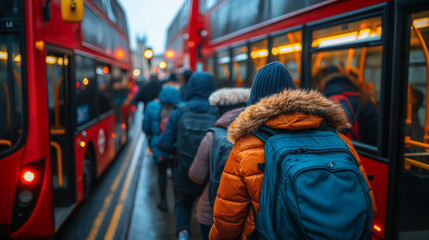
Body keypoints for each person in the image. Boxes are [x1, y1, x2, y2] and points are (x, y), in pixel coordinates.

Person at [209, 62, 376, 239]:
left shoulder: (245, 147)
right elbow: (369, 206)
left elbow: (228, 219)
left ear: (254, 100)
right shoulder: (339, 139)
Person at [159, 72, 217, 240]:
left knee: (183, 205)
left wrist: (180, 154)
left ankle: (183, 233)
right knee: (208, 212)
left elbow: (164, 143)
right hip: (209, 175)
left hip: (183, 172)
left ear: (190, 87)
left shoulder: (179, 111)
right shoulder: (216, 112)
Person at [188, 88, 250, 240]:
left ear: (220, 110)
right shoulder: (257, 133)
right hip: (248, 213)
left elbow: (196, 175)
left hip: (212, 212)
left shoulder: (212, 136)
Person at [143, 86, 181, 212]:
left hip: (159, 146)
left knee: (161, 173)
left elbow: (145, 127)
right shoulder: (180, 109)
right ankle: (177, 203)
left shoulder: (151, 107)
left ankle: (163, 202)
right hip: (175, 148)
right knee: (175, 176)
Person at [322, 73, 379, 145]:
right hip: (359, 151)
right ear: (353, 84)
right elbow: (374, 134)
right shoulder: (365, 100)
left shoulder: (324, 102)